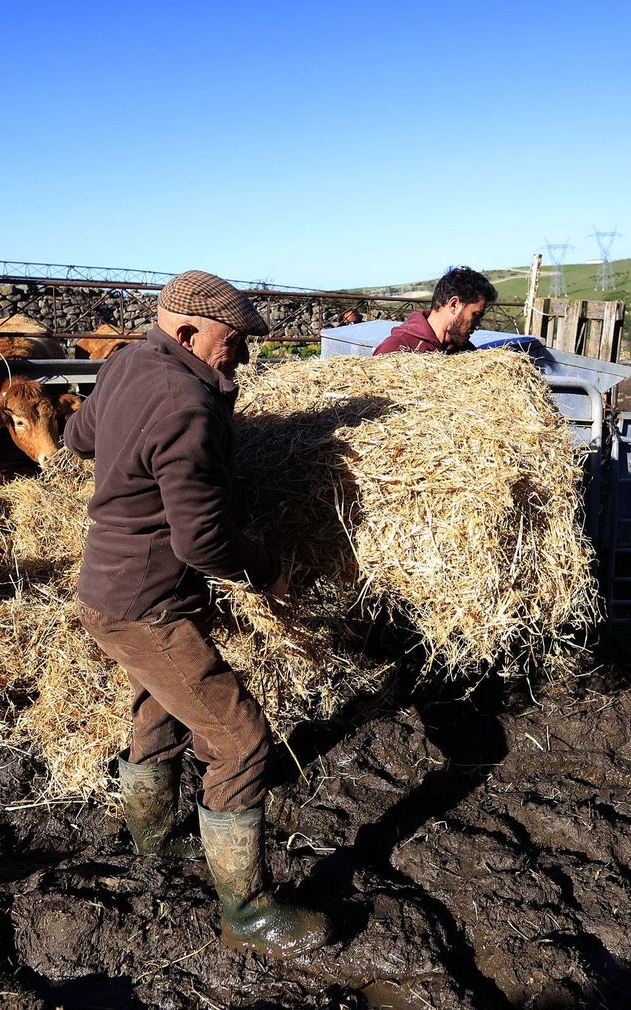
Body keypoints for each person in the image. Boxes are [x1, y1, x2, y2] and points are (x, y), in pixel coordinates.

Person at [64, 269, 329, 959]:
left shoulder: (127, 363)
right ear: (185, 331)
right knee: (239, 740)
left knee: (160, 707)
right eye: (233, 342)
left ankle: (151, 839)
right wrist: (268, 571)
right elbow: (202, 540)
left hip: (110, 590)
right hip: (148, 604)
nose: (241, 356)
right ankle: (247, 911)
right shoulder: (187, 401)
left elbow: (79, 438)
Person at [371, 266, 496, 355]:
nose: (478, 326)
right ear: (454, 305)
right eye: (476, 315)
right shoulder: (395, 349)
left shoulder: (466, 351)